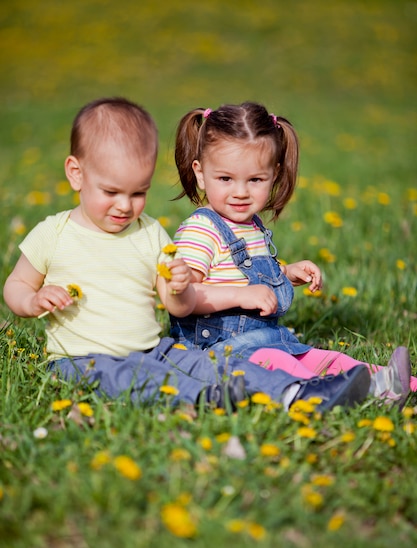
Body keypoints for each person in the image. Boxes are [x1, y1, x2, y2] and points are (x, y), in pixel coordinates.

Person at [2, 96, 373, 414]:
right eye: (111, 191)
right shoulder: (54, 232)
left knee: (202, 363)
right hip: (79, 361)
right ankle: (210, 395)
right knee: (134, 380)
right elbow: (15, 285)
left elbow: (178, 307)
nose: (125, 206)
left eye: (138, 193)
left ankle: (298, 393)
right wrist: (32, 299)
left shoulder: (150, 233)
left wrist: (178, 287)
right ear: (76, 173)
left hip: (153, 349)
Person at [170, 102, 414, 407]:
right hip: (219, 351)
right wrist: (241, 296)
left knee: (326, 357)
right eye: (225, 179)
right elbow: (184, 296)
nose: (241, 192)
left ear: (274, 175)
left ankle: (398, 382)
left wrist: (286, 272)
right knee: (287, 366)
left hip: (266, 339)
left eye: (255, 180)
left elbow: (242, 270)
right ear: (201, 174)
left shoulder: (250, 225)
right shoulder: (200, 231)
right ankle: (353, 394)